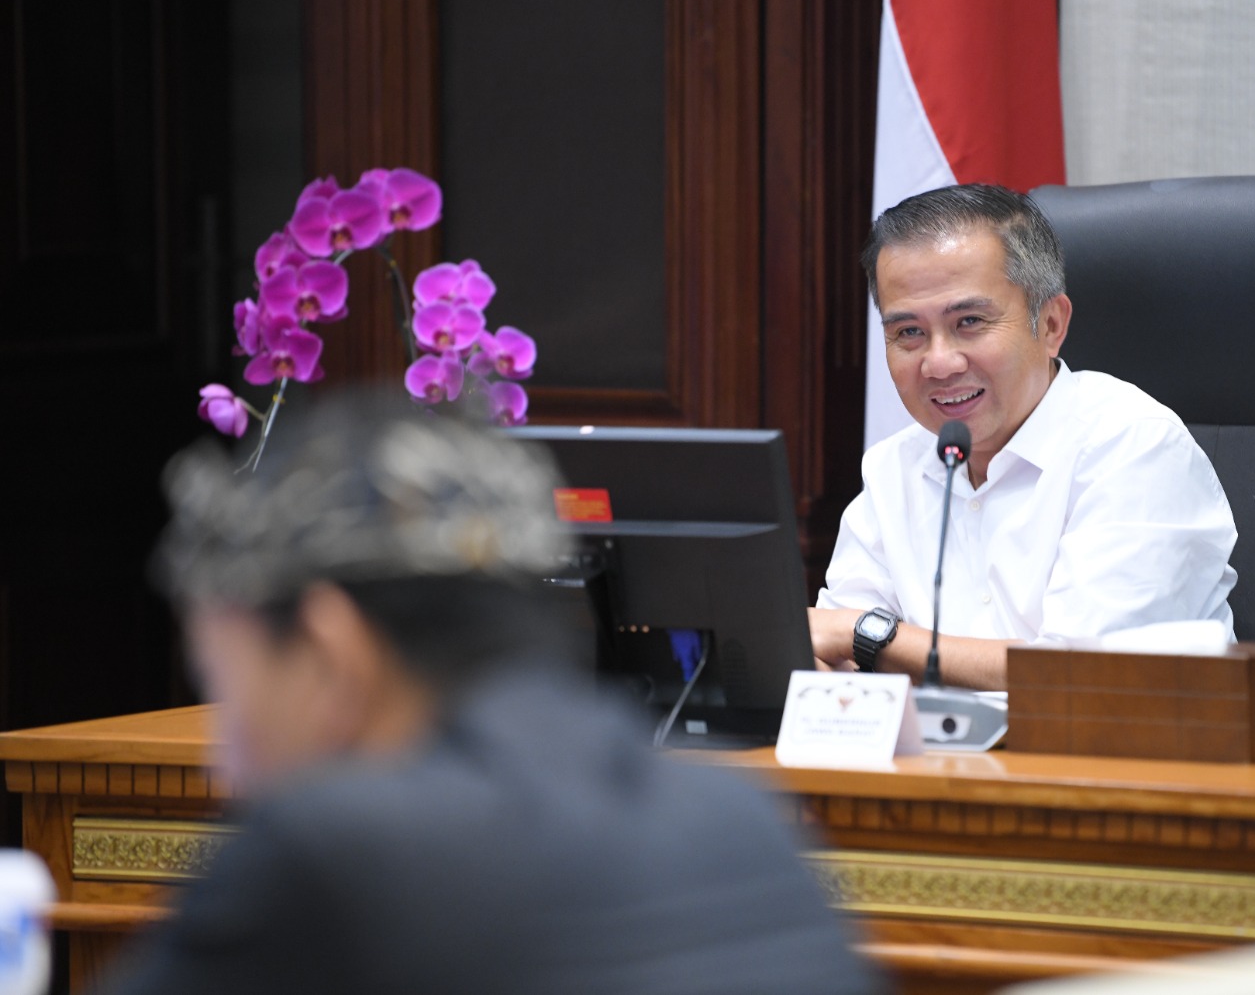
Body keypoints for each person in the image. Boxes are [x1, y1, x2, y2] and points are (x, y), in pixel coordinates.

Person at [103, 397, 881, 995]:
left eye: (224, 685)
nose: (224, 764)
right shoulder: (741, 818)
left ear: (331, 648)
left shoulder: (328, 852)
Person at [810, 184, 1238, 691]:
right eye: (908, 333)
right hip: (933, 765)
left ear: (1052, 324)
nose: (939, 363)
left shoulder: (1134, 447)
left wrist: (872, 637)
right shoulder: (893, 467)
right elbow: (830, 650)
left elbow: (1080, 678)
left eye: (969, 322)